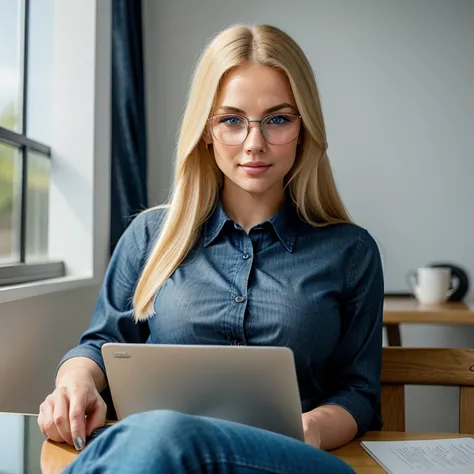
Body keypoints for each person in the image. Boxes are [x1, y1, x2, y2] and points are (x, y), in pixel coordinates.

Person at [38, 23, 384, 473]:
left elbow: (357, 392)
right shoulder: (149, 237)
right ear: (206, 129)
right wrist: (75, 383)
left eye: (278, 119)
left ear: (304, 129)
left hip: (288, 462)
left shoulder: (351, 253)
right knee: (157, 439)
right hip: (161, 462)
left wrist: (311, 429)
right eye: (231, 120)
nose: (254, 143)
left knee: (163, 435)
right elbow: (102, 342)